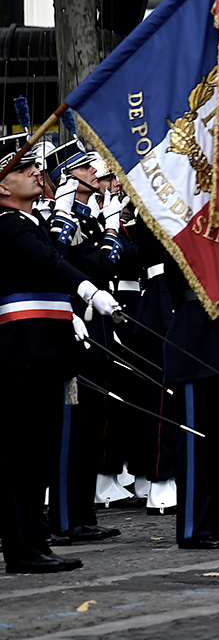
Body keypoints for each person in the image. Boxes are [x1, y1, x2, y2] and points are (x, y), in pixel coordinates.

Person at [0, 141, 93, 573]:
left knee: (39, 451)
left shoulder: (29, 220)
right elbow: (46, 262)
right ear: (2, 185)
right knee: (22, 452)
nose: (39, 173)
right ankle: (22, 548)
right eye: (26, 169)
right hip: (22, 351)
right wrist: (87, 289)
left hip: (46, 347)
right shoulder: (6, 224)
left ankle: (34, 541)